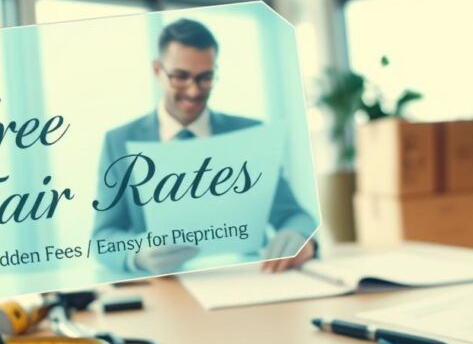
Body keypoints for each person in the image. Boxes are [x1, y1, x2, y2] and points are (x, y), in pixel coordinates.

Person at [92, 18, 317, 275]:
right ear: (157, 71)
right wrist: (136, 253)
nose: (193, 91)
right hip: (166, 284)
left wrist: (299, 235)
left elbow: (294, 215)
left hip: (250, 276)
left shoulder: (250, 134)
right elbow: (103, 237)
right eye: (180, 77)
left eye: (205, 78)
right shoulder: (118, 142)